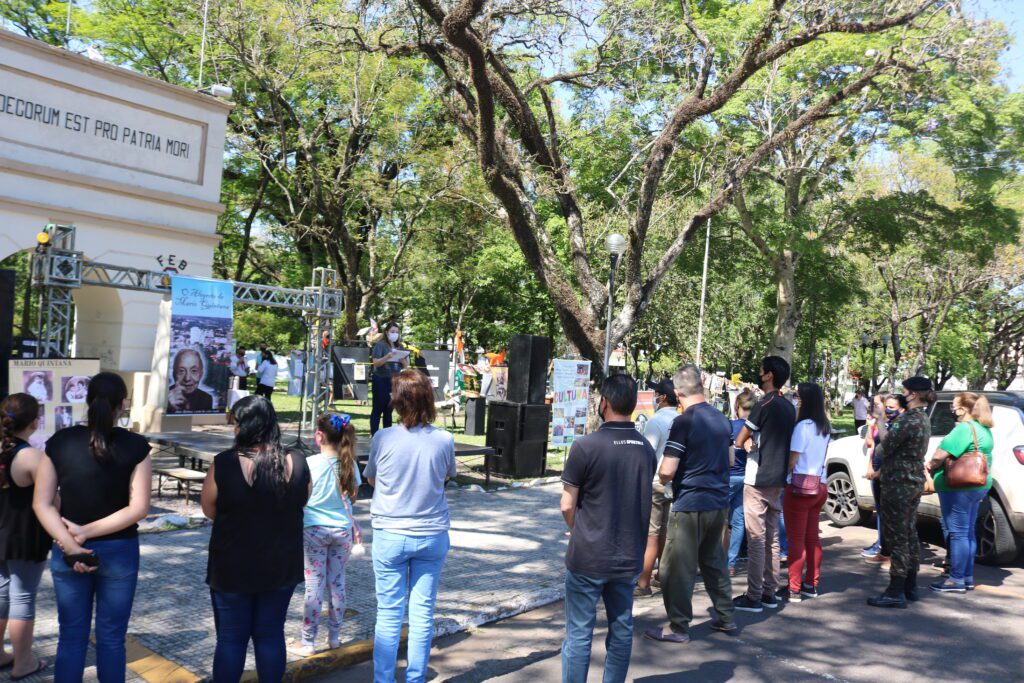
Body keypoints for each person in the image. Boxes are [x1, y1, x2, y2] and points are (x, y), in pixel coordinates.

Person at [33, 372, 152, 682]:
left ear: (86, 400)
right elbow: (138, 508)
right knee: (112, 638)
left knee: (71, 637)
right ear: (123, 404)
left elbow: (41, 503)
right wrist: (85, 535)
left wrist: (73, 542)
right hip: (120, 550)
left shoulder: (59, 442)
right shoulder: (136, 445)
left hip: (66, 548)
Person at [202, 395, 311, 682]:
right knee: (270, 635)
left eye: (235, 424)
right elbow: (301, 501)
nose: (233, 429)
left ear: (245, 426)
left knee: (230, 640)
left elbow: (209, 508)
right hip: (281, 564)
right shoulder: (297, 462)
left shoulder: (224, 464)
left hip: (232, 565)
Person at [560, 374, 655, 678]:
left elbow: (566, 504)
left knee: (578, 633)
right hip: (628, 557)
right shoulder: (645, 449)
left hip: (588, 555)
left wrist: (578, 530)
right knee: (622, 627)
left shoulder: (585, 446)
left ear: (605, 403)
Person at [365, 370, 455, 683]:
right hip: (431, 534)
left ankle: (384, 679)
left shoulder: (383, 437)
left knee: (389, 614)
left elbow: (372, 478)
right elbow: (445, 477)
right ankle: (416, 678)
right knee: (422, 614)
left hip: (390, 533)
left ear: (397, 401)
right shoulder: (444, 439)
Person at [644, 365, 736, 644]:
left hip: (690, 502)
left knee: (675, 567)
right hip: (718, 502)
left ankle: (678, 626)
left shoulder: (683, 422)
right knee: (714, 562)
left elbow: (668, 470)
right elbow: (731, 460)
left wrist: (661, 476)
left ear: (676, 391)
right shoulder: (721, 419)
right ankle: (726, 616)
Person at [292, 412, 363, 656]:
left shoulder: (310, 464)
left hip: (313, 530)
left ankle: (308, 641)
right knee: (337, 584)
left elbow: (303, 498)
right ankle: (334, 637)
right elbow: (352, 498)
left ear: (319, 436)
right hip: (342, 531)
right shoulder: (350, 464)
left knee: (314, 586)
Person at [733, 356, 795, 613]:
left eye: (761, 370)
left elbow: (740, 439)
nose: (758, 373)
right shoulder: (788, 406)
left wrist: (746, 443)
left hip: (758, 478)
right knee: (772, 538)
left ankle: (755, 595)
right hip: (778, 478)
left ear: (769, 375)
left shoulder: (764, 403)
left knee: (757, 538)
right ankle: (770, 591)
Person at [867, 376, 934, 608]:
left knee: (898, 536)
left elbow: (885, 446)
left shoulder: (909, 420)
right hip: (911, 481)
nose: (903, 394)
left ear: (913, 394)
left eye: (905, 391)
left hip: (899, 483)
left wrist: (880, 420)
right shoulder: (922, 418)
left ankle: (896, 590)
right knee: (909, 533)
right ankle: (909, 586)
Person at [0, 394, 52, 679]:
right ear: (35, 422)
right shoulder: (32, 456)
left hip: (1, 533)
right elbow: (51, 501)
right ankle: (23, 663)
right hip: (24, 536)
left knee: (1, 593)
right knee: (22, 597)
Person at [926, 392, 994, 594]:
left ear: (964, 409)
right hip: (978, 485)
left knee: (958, 533)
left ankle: (955, 580)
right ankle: (966, 577)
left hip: (958, 487)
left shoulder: (964, 429)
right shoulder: (984, 429)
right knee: (968, 532)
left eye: (954, 406)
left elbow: (940, 455)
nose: (953, 410)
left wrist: (929, 466)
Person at [779, 383, 830, 602]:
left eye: (798, 397)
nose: (796, 400)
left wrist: (781, 475)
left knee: (796, 540)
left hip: (799, 488)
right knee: (812, 538)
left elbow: (793, 458)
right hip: (819, 485)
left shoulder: (803, 426)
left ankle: (794, 588)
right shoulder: (823, 425)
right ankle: (811, 583)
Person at [635, 377, 678, 597]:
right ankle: (662, 575)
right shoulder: (682, 419)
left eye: (656, 394)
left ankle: (643, 583)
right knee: (667, 532)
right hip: (675, 483)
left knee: (651, 534)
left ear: (662, 397)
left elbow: (647, 454)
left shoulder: (656, 421)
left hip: (656, 482)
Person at [864, 395, 907, 564]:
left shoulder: (899, 426)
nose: (887, 410)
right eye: (886, 406)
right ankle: (884, 548)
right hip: (877, 471)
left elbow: (892, 450)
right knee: (881, 511)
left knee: (890, 516)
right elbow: (873, 444)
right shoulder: (885, 423)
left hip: (888, 475)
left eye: (891, 407)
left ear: (901, 409)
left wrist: (880, 472)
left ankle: (890, 553)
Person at [728, 390, 755, 576]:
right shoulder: (755, 428)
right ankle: (730, 562)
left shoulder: (730, 426)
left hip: (728, 477)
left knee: (719, 519)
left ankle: (715, 560)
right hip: (746, 477)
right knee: (738, 520)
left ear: (737, 406)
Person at [369, 323, 408, 435]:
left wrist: (403, 362)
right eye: (392, 331)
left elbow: (405, 366)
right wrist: (388, 357)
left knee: (389, 410)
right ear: (386, 332)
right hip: (381, 380)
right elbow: (375, 363)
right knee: (378, 409)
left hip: (394, 381)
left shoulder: (400, 346)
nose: (395, 334)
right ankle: (374, 435)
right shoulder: (380, 345)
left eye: (396, 332)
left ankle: (387, 435)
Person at [168, 348, 215, 413]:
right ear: (174, 374)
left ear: (201, 374)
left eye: (194, 371)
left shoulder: (206, 398)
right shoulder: (164, 396)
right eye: (181, 371)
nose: (187, 378)